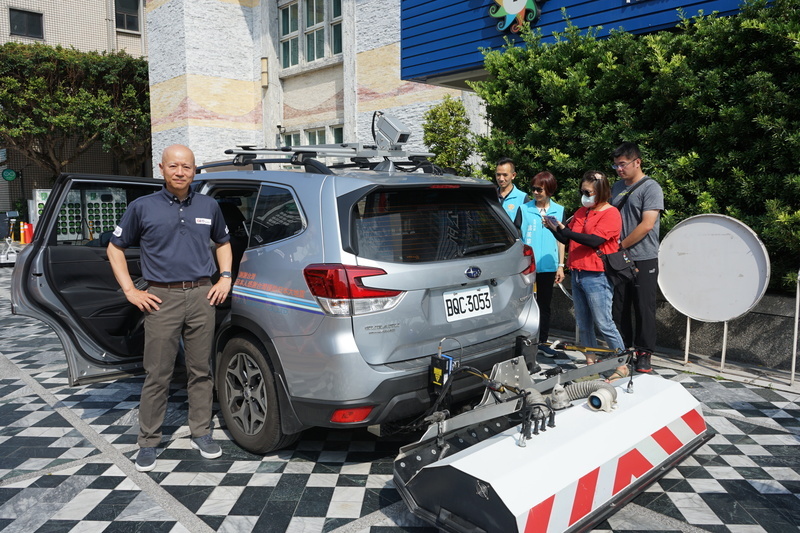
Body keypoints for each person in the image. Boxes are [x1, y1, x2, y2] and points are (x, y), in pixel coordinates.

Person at [107, 144, 233, 472]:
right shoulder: (142, 207)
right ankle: (148, 441)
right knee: (158, 373)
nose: (180, 172)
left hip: (203, 296)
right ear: (160, 168)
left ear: (195, 171)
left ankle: (202, 432)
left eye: (187, 167)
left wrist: (225, 278)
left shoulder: (209, 205)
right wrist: (131, 291)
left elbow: (223, 243)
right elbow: (114, 248)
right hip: (161, 299)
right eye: (174, 166)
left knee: (201, 370)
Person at [544, 171, 628, 381]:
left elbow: (594, 240)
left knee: (604, 322)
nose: (584, 195)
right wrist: (554, 228)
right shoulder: (582, 211)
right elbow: (568, 236)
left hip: (597, 274)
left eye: (588, 192)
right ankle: (591, 364)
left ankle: (622, 364)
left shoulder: (611, 214)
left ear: (600, 191)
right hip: (579, 273)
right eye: (582, 191)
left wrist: (565, 231)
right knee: (583, 323)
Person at [610, 142, 664, 373]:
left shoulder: (651, 188)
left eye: (622, 165)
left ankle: (645, 353)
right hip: (617, 258)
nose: (619, 170)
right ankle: (624, 350)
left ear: (637, 162)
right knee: (619, 306)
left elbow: (647, 225)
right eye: (616, 166)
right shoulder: (615, 188)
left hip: (643, 257)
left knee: (644, 306)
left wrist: (620, 245)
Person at [519, 171, 565, 357]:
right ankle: (524, 340)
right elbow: (517, 236)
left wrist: (561, 265)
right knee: (524, 304)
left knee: (544, 305)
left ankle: (542, 341)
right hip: (526, 266)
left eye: (539, 189)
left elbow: (562, 239)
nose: (535, 192)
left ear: (550, 190)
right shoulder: (524, 209)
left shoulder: (559, 210)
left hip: (548, 265)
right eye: (534, 189)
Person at [495, 157, 528, 228]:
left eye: (505, 175)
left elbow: (526, 226)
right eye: (498, 175)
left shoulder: (522, 198)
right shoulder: (491, 196)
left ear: (513, 175)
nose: (501, 179)